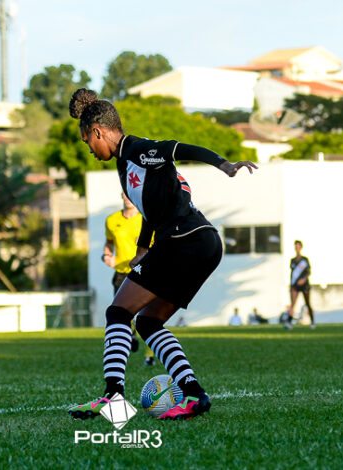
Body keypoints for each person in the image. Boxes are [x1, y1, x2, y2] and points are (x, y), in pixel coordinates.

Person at [66, 89, 257, 420]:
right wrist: (142, 250)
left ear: (97, 132)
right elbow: (151, 212)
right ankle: (195, 396)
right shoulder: (126, 162)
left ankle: (112, 397)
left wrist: (224, 165)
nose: (90, 151)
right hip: (202, 242)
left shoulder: (137, 150)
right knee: (149, 321)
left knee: (118, 312)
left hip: (184, 240)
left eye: (87, 142)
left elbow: (177, 149)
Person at [103, 192, 156, 366]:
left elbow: (156, 244)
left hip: (143, 271)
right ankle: (130, 336)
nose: (127, 197)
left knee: (147, 315)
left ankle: (149, 356)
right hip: (121, 273)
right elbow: (109, 242)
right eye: (124, 194)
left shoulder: (146, 219)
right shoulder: (111, 220)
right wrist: (107, 255)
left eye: (129, 194)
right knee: (119, 312)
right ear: (121, 196)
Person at [285, 240, 315, 330]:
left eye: (298, 246)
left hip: (304, 284)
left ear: (301, 247)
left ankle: (312, 322)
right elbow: (292, 273)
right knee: (293, 304)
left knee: (307, 303)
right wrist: (291, 285)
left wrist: (303, 279)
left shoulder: (305, 260)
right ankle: (289, 322)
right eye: (295, 246)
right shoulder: (292, 260)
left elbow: (308, 272)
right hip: (295, 284)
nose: (297, 248)